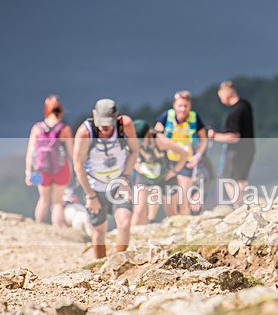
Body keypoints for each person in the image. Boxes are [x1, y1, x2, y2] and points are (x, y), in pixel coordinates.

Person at [73, 98, 139, 259]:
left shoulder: (125, 125)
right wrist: (90, 196)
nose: (104, 128)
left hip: (119, 183)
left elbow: (134, 151)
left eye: (108, 124)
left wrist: (125, 178)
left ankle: (118, 262)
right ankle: (100, 264)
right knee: (99, 230)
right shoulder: (85, 133)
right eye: (101, 123)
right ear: (94, 115)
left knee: (124, 224)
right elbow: (78, 165)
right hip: (95, 187)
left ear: (116, 117)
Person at [154, 90, 207, 216]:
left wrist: (198, 156)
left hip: (187, 162)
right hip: (168, 161)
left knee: (183, 198)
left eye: (186, 106)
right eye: (180, 105)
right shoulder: (167, 116)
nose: (183, 109)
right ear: (174, 105)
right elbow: (156, 135)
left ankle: (186, 223)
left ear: (190, 106)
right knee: (170, 198)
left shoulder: (194, 117)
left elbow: (204, 140)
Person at [25, 95, 74, 228]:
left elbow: (30, 152)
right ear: (61, 111)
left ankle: (38, 227)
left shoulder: (37, 128)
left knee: (43, 199)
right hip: (61, 169)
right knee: (57, 202)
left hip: (41, 170)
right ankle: (57, 229)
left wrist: (28, 172)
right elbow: (71, 153)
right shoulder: (65, 129)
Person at [130, 119, 188, 226]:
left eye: (142, 139)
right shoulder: (131, 140)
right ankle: (133, 234)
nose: (140, 142)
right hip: (144, 175)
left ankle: (177, 233)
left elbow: (184, 153)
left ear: (148, 134)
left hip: (165, 176)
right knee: (138, 210)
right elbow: (127, 155)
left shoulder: (160, 140)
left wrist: (175, 171)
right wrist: (135, 164)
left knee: (171, 213)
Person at [209, 80, 256, 207]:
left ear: (226, 96)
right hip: (249, 148)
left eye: (220, 97)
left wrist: (214, 136)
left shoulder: (234, 113)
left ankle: (238, 206)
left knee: (227, 179)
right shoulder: (245, 105)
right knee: (242, 178)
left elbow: (234, 137)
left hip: (237, 152)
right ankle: (245, 205)